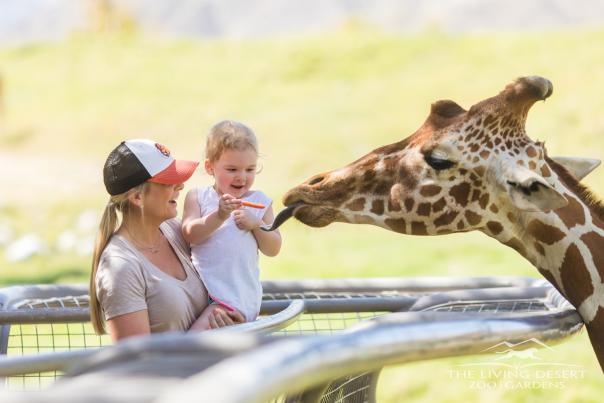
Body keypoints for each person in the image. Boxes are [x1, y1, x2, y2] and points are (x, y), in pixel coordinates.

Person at [90, 139, 244, 341]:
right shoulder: (121, 268)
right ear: (137, 197)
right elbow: (137, 364)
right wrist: (202, 339)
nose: (180, 186)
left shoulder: (175, 231)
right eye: (168, 181)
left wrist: (230, 321)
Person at [182, 120, 282, 329]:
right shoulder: (198, 197)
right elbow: (190, 233)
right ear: (210, 167)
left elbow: (273, 248)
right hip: (199, 293)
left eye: (250, 169)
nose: (242, 177)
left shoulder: (259, 203)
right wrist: (218, 216)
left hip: (231, 298)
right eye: (232, 169)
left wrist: (256, 225)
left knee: (192, 342)